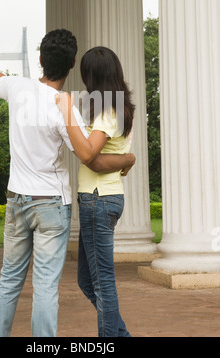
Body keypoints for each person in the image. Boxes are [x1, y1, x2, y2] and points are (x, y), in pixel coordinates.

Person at [0, 30, 135, 337]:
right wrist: (127, 160)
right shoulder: (67, 107)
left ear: (40, 59)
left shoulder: (16, 87)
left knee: (9, 279)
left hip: (16, 200)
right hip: (51, 202)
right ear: (71, 65)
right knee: (45, 287)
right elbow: (87, 154)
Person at [55, 46, 135, 337]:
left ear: (93, 76)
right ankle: (120, 336)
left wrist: (66, 113)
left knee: (101, 282)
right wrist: (128, 159)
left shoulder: (106, 111)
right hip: (103, 197)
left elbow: (89, 155)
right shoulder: (119, 107)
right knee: (88, 282)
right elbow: (106, 156)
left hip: (99, 198)